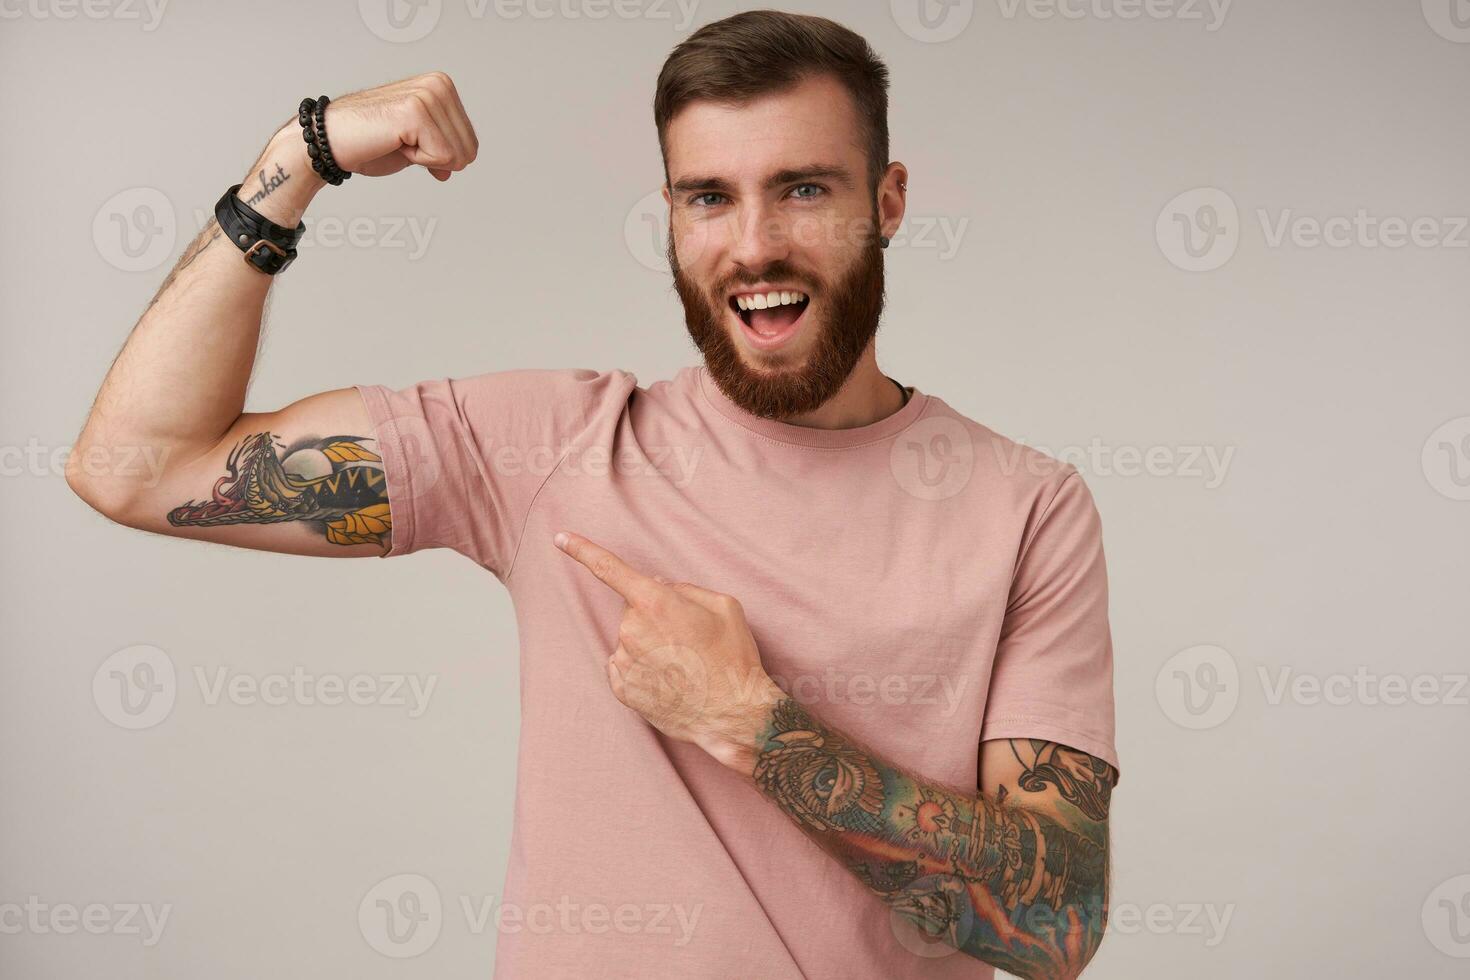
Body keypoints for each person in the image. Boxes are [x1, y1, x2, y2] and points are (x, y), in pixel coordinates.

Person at [68, 10, 1119, 978]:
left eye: (804, 188)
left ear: (887, 201)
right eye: (709, 196)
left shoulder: (1026, 508)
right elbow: (136, 466)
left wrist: (754, 723)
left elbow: (1059, 919)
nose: (754, 244)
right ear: (669, 216)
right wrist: (300, 156)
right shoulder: (550, 448)